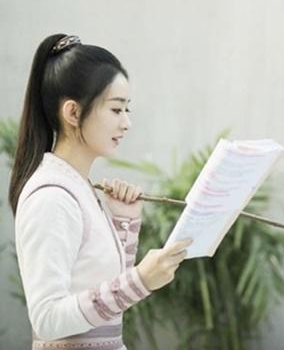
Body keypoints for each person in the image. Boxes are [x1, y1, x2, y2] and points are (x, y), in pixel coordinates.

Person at [9, 34, 193, 349]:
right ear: (72, 113)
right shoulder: (51, 197)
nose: (127, 123)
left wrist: (123, 222)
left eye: (127, 110)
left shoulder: (79, 187)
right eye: (116, 109)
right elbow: (47, 320)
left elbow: (107, 303)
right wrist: (140, 280)